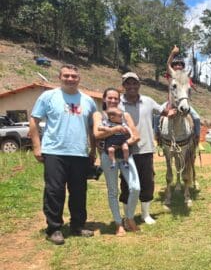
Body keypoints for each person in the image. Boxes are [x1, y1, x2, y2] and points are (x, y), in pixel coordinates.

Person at [28, 64, 98, 245]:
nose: (70, 79)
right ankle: (54, 228)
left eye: (74, 76)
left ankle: (77, 226)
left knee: (79, 192)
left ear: (79, 78)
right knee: (54, 191)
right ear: (60, 77)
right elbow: (34, 120)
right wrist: (37, 146)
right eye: (66, 75)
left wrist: (93, 149)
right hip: (54, 152)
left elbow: (92, 128)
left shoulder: (88, 101)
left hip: (79, 154)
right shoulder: (48, 97)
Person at [92, 88, 141, 236]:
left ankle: (130, 218)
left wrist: (121, 143)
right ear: (104, 99)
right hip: (109, 156)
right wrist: (116, 130)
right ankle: (118, 223)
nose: (113, 101)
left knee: (135, 187)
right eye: (110, 98)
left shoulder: (125, 115)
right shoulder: (98, 115)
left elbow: (136, 136)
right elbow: (96, 134)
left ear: (119, 100)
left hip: (125, 155)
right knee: (113, 191)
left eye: (116, 98)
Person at [119, 72, 162, 224]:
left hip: (146, 149)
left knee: (147, 182)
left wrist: (172, 104)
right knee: (126, 184)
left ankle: (145, 214)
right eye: (128, 83)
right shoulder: (118, 104)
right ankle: (127, 216)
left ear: (139, 85)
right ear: (123, 86)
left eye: (134, 83)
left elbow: (163, 110)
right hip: (125, 151)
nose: (131, 86)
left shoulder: (148, 101)